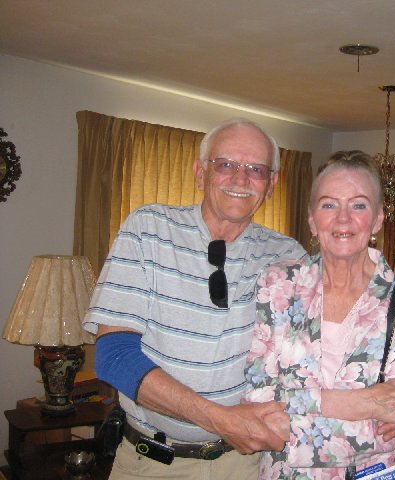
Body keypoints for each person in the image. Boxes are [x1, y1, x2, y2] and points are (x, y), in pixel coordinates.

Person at [83, 119, 308, 479]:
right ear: (201, 174)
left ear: (272, 184)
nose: (240, 179)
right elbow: (114, 358)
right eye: (225, 165)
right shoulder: (149, 229)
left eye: (256, 169)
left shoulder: (288, 257)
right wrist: (222, 421)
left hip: (244, 466)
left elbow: (321, 357)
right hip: (151, 464)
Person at [244, 150, 395, 479]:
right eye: (329, 205)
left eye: (358, 205)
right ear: (311, 219)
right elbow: (257, 402)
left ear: (378, 218)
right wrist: (364, 403)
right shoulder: (278, 285)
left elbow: (389, 431)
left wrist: (292, 421)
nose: (343, 219)